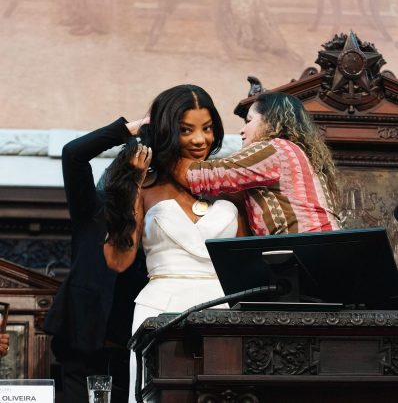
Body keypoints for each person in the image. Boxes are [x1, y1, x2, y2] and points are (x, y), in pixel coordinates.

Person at [102, 84, 248, 403]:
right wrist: (132, 188)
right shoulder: (146, 186)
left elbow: (247, 262)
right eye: (186, 130)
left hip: (224, 307)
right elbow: (118, 261)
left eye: (207, 129)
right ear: (169, 131)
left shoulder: (233, 189)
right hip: (160, 305)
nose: (200, 139)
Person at [44, 118, 148, 403]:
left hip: (134, 345)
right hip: (81, 338)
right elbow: (74, 154)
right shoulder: (94, 205)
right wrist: (130, 129)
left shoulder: (162, 215)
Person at [173, 91, 341, 235]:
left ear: (270, 120)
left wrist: (162, 148)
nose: (242, 130)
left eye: (249, 120)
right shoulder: (293, 151)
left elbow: (202, 176)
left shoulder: (274, 149)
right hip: (322, 246)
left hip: (308, 247)